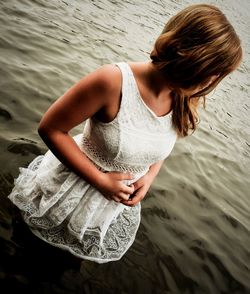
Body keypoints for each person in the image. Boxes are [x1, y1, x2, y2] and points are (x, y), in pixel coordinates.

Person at [8, 4, 242, 263]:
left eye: (218, 77)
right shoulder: (112, 81)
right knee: (24, 252)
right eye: (210, 73)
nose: (211, 84)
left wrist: (150, 177)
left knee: (64, 265)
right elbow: (51, 128)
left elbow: (159, 145)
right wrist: (100, 180)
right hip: (67, 190)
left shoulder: (183, 98)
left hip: (103, 208)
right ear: (187, 57)